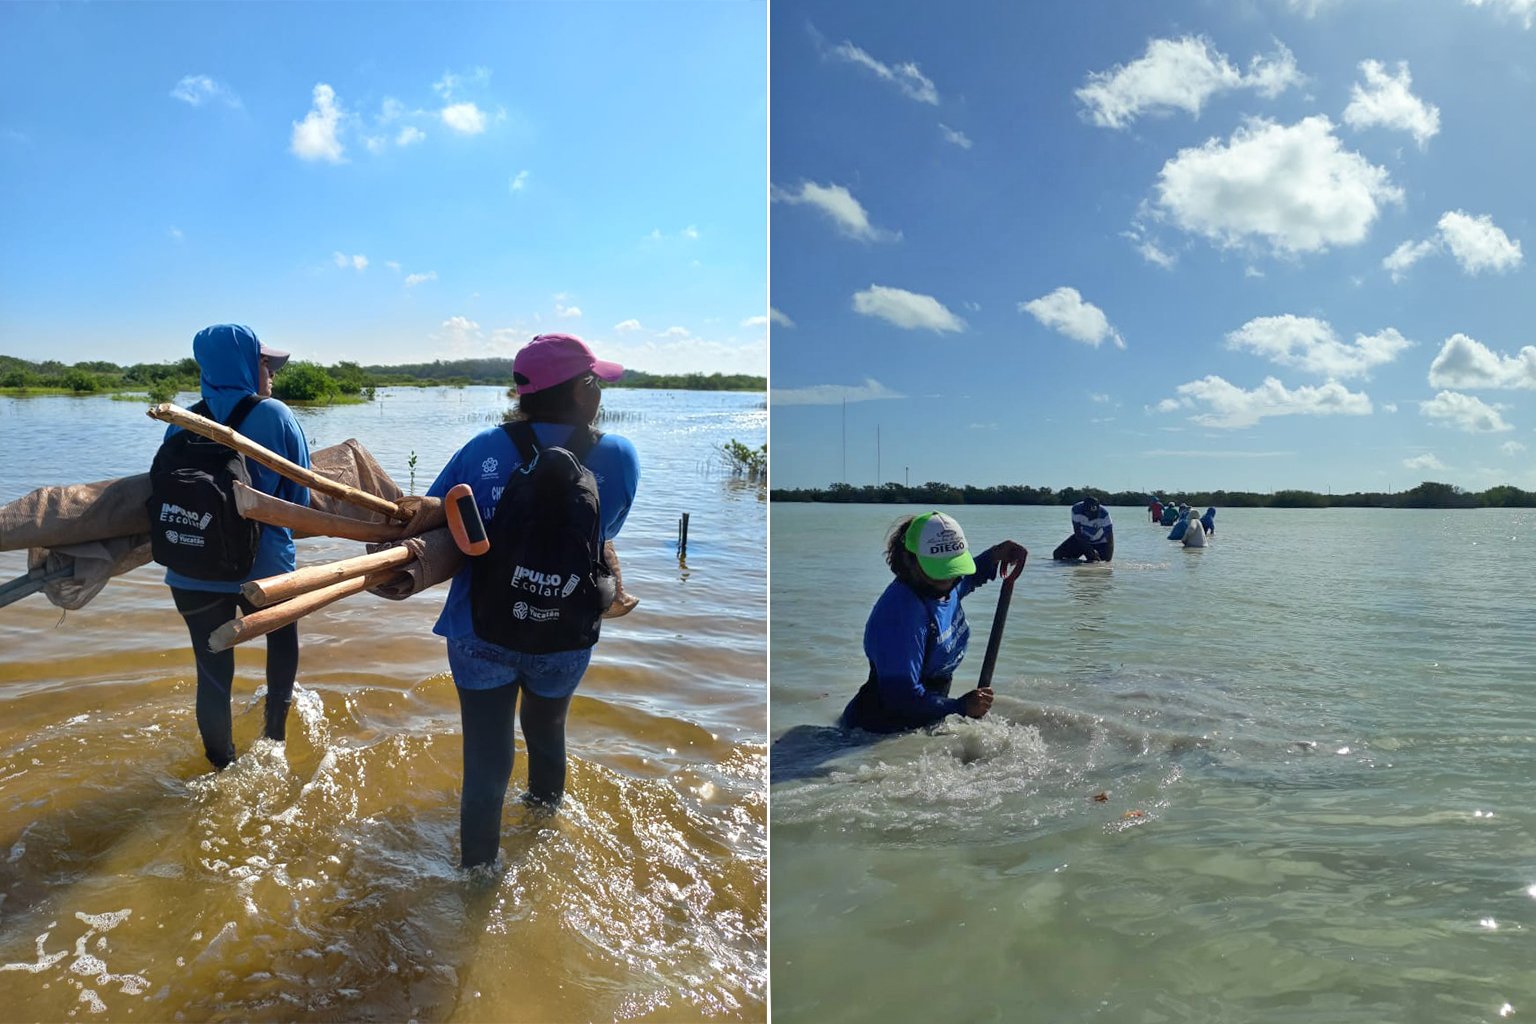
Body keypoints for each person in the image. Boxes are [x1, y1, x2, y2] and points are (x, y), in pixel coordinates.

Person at [426, 333, 640, 869]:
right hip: (564, 629)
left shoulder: (480, 449)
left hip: (479, 631)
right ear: (581, 392)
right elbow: (605, 530)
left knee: (485, 761)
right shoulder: (618, 454)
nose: (601, 395)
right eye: (596, 384)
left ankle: (476, 877)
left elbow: (438, 519)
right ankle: (543, 851)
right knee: (547, 734)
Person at [165, 324, 310, 770]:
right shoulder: (276, 416)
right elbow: (300, 503)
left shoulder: (181, 422)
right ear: (250, 364)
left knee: (212, 678)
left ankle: (220, 767)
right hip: (262, 570)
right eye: (267, 364)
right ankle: (274, 739)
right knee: (282, 646)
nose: (272, 374)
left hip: (191, 570)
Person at [840, 512, 1026, 734]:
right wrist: (961, 707)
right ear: (909, 560)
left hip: (925, 711)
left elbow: (968, 579)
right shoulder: (900, 616)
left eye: (953, 568)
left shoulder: (946, 584)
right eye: (939, 570)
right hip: (876, 728)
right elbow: (901, 698)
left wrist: (996, 555)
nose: (948, 578)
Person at [1052, 494, 1114, 562]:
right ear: (1083, 510)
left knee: (1098, 563)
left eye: (1095, 515)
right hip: (1082, 538)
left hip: (1101, 542)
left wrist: (1108, 561)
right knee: (1057, 555)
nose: (1092, 518)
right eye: (1089, 514)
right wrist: (1090, 550)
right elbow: (1077, 533)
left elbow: (1110, 539)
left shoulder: (1105, 515)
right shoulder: (1076, 509)